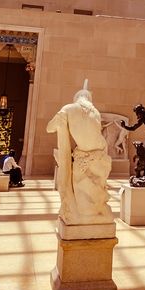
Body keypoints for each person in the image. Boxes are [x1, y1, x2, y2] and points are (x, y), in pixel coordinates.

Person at [45, 83, 113, 225]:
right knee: (97, 190)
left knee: (86, 198)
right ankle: (97, 212)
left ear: (76, 97)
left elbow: (49, 128)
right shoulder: (96, 112)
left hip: (86, 157)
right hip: (102, 155)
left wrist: (60, 120)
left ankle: (88, 216)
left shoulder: (68, 109)